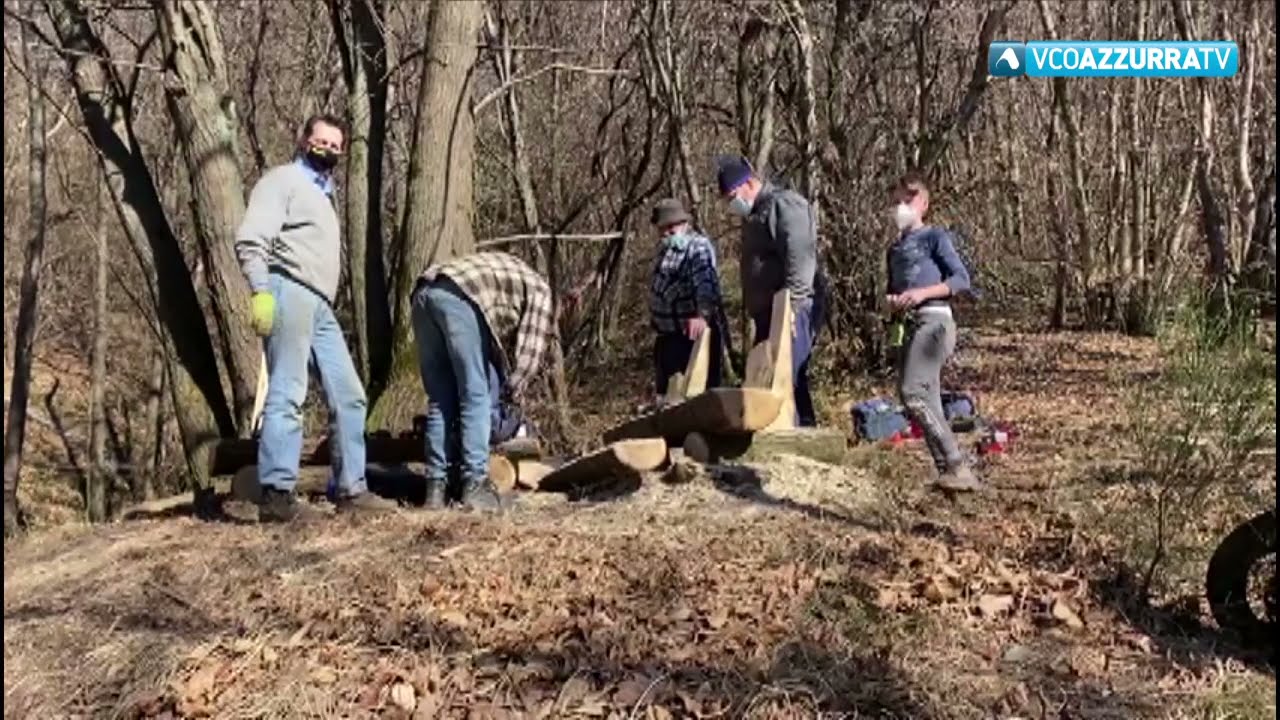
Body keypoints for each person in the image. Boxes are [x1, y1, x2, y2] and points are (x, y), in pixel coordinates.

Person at [234, 113, 397, 521]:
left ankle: (351, 490)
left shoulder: (325, 194)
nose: (328, 149)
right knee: (289, 391)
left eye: (336, 145)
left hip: (321, 304)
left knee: (350, 393)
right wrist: (261, 292)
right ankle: (276, 494)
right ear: (304, 140)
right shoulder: (283, 181)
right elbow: (252, 239)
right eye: (321, 141)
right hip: (287, 288)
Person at [410, 251, 555, 511]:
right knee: (474, 396)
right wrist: (513, 392)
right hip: (458, 296)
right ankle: (475, 484)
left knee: (440, 401)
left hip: (423, 293)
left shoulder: (508, 281)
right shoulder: (541, 291)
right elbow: (529, 354)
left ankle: (435, 489)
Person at [884, 170, 982, 492]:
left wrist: (923, 294)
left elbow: (961, 280)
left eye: (908, 200)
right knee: (929, 400)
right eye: (897, 200)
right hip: (909, 325)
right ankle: (948, 476)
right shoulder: (894, 251)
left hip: (935, 322)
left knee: (913, 394)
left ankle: (956, 464)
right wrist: (893, 301)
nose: (901, 206)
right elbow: (894, 288)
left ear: (923, 204)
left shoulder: (935, 238)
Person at [714, 155, 824, 426]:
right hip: (770, 313)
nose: (731, 204)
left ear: (749, 183)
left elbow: (801, 258)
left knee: (783, 376)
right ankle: (803, 430)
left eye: (732, 196)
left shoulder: (785, 205)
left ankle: (794, 437)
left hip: (791, 309)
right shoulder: (757, 214)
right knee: (777, 377)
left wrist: (793, 307)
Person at [648, 198, 725, 402]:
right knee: (667, 400)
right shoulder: (663, 251)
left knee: (694, 400)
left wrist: (702, 315)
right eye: (662, 229)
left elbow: (706, 285)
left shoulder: (697, 248)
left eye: (671, 228)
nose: (666, 233)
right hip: (667, 340)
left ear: (683, 225)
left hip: (691, 340)